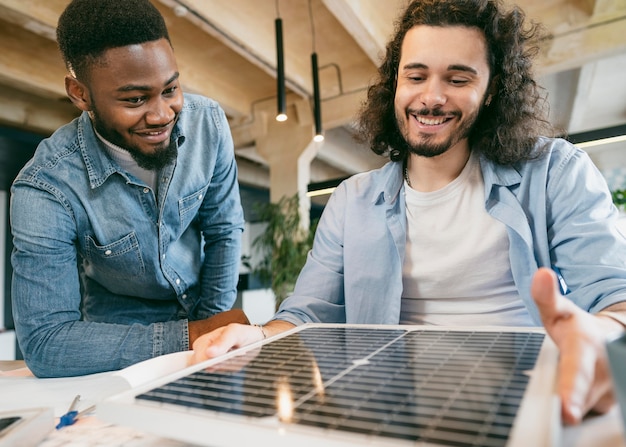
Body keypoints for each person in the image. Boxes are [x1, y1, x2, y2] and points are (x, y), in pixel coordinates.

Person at [192, 0, 626, 426]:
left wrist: (599, 334)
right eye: (415, 76)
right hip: (390, 410)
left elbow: (615, 297)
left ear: (492, 89)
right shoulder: (352, 200)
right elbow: (308, 312)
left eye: (458, 79)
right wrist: (260, 334)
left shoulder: (555, 172)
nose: (431, 97)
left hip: (530, 403)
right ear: (395, 83)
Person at [9, 0, 248, 378]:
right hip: (117, 334)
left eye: (170, 89)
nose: (161, 115)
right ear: (80, 93)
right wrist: (193, 335)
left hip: (207, 309)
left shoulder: (209, 124)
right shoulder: (46, 186)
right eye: (135, 99)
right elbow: (46, 343)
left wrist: (213, 324)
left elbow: (223, 229)